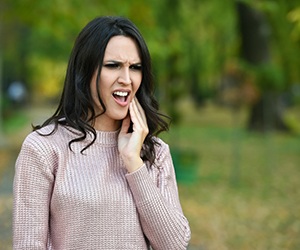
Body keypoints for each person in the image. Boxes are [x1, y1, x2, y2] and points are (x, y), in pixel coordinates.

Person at [13, 16, 191, 250]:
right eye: (113, 65)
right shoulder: (43, 149)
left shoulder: (155, 153)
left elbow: (175, 245)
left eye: (135, 68)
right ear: (85, 71)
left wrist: (133, 163)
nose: (126, 80)